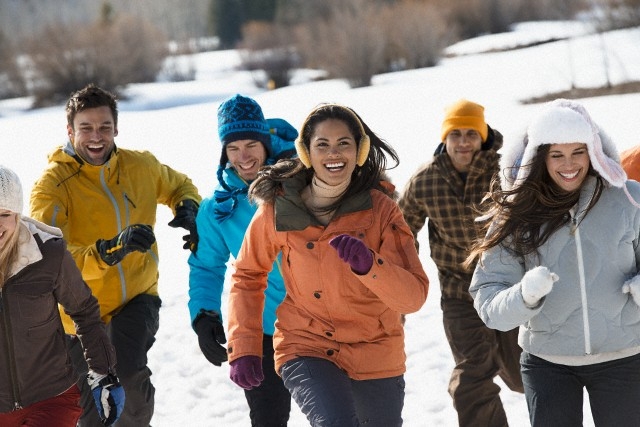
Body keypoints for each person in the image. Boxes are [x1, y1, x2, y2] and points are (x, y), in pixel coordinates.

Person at [225, 103, 429, 427]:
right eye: (322, 144)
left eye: (343, 143)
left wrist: (370, 266)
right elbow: (248, 274)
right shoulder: (279, 207)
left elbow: (413, 297)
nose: (333, 153)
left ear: (359, 150)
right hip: (307, 343)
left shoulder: (382, 210)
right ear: (306, 152)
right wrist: (245, 345)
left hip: (375, 349)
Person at [29, 84, 201, 427]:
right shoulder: (52, 185)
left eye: (105, 127)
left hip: (135, 297)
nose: (97, 137)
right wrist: (104, 253)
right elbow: (44, 254)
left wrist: (188, 207)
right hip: (75, 314)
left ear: (116, 128)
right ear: (70, 131)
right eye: (87, 128)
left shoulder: (141, 166)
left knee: (129, 377)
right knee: (93, 410)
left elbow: (179, 184)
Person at [468, 98, 640, 427]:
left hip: (625, 357)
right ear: (540, 157)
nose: (569, 164)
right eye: (557, 154)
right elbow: (488, 299)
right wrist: (526, 296)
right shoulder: (518, 214)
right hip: (548, 363)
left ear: (594, 152)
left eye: (578, 152)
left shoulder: (629, 199)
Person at [397, 99, 523, 427]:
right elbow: (400, 233)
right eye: (455, 134)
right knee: (472, 380)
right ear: (445, 138)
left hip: (508, 289)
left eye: (471, 133)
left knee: (523, 375)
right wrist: (398, 290)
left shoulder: (507, 171)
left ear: (483, 137)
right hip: (459, 293)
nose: (463, 141)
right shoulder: (426, 180)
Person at [188, 94, 297, 426]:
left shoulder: (300, 181)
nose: (243, 156)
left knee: (339, 414)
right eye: (233, 148)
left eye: (251, 144)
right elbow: (206, 265)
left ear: (265, 143)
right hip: (262, 326)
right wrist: (204, 315)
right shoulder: (218, 209)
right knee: (267, 419)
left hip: (318, 318)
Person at [0, 165, 124, 427]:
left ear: (17, 215)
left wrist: (104, 373)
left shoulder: (48, 254)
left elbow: (84, 311)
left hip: (52, 398)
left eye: (4, 214)